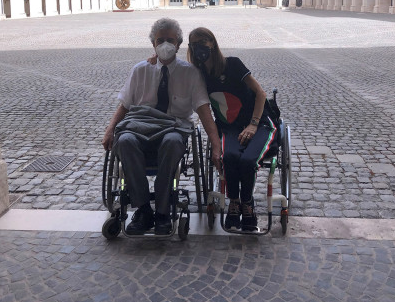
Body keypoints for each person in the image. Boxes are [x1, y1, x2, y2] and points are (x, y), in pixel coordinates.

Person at [102, 18, 221, 236]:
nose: (165, 44)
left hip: (173, 128)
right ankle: (144, 210)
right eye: (160, 40)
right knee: (125, 140)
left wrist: (216, 146)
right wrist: (110, 130)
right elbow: (125, 105)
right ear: (153, 44)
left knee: (173, 141)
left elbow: (204, 111)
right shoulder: (140, 70)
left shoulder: (190, 73)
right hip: (139, 127)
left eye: (170, 40)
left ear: (178, 44)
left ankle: (163, 211)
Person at [187, 27, 278, 232]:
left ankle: (247, 204)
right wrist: (154, 59)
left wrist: (253, 124)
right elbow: (177, 69)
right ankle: (234, 203)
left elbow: (261, 94)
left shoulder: (233, 64)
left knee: (247, 161)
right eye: (194, 44)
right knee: (228, 158)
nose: (199, 47)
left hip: (259, 123)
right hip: (230, 127)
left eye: (203, 41)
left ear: (213, 42)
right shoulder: (199, 74)